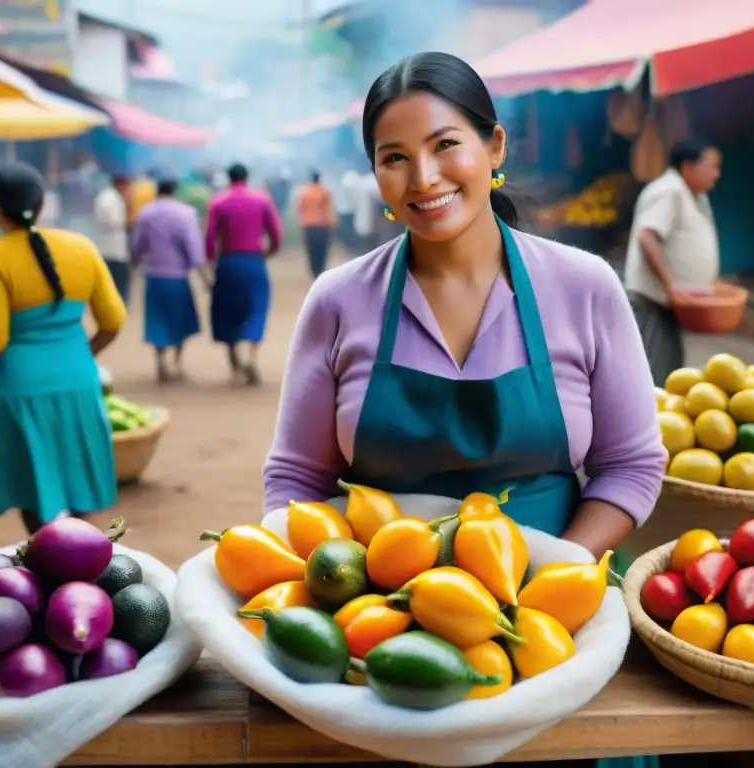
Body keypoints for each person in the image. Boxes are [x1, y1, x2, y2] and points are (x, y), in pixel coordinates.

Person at [264, 51, 664, 583]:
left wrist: (560, 567)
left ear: (494, 146)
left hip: (548, 609)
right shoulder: (338, 300)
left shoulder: (584, 286)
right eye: (395, 158)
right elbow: (297, 476)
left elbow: (630, 466)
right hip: (377, 609)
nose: (424, 178)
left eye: (445, 145)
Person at [0, 162, 126, 535]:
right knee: (78, 479)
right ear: (41, 205)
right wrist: (84, 355)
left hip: (19, 386)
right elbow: (113, 320)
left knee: (31, 486)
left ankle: (46, 556)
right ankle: (84, 556)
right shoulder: (81, 246)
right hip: (79, 378)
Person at [625, 138, 722, 386]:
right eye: (712, 166)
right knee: (654, 372)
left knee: (671, 368)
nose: (717, 173)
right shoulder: (670, 191)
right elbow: (647, 237)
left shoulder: (692, 193)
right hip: (653, 300)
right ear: (689, 167)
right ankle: (652, 423)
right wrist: (671, 285)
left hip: (669, 302)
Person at [205, 163, 283, 385]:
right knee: (255, 308)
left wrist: (212, 263)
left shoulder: (218, 202)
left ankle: (234, 358)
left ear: (228, 178)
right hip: (253, 261)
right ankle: (251, 357)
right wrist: (267, 253)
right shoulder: (262, 200)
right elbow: (276, 234)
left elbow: (210, 240)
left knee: (227, 311)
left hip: (228, 262)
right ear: (246, 177)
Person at [131, 177, 211, 383]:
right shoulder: (185, 213)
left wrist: (133, 267)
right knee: (179, 321)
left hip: (154, 276)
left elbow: (138, 245)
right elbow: (194, 250)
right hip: (177, 278)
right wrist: (206, 278)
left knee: (157, 320)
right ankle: (177, 362)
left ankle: (160, 363)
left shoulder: (146, 213)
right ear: (175, 191)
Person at [93, 174, 131, 303]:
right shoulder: (112, 199)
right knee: (118, 280)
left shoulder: (106, 196)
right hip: (114, 247)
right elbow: (115, 221)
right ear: (120, 184)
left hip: (109, 246)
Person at [297, 170, 336, 279]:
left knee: (311, 250)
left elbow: (300, 209)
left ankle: (314, 271)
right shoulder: (324, 191)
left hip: (308, 226)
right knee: (322, 250)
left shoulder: (304, 192)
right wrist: (332, 222)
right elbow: (329, 208)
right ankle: (321, 270)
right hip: (322, 225)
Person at [351, 169, 381, 253]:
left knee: (367, 243)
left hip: (364, 223)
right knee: (371, 243)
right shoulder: (370, 186)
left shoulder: (360, 187)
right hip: (370, 223)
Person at [336, 166, 361, 250]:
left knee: (348, 230)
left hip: (346, 211)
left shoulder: (345, 182)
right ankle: (350, 245)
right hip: (349, 211)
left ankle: (349, 245)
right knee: (349, 230)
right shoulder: (351, 181)